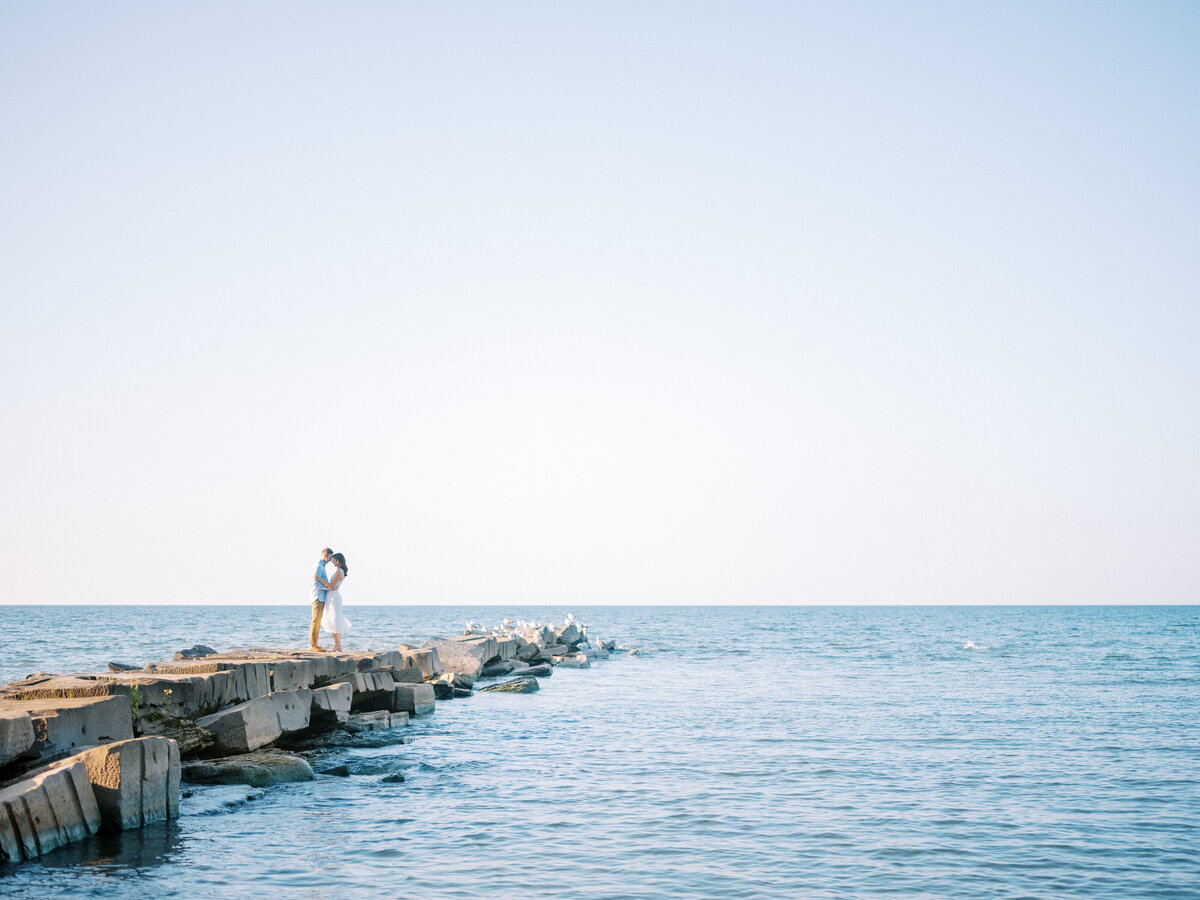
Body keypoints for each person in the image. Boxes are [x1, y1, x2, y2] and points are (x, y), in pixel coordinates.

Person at [321, 552, 351, 651]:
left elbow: (331, 586)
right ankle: (339, 645)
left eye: (333, 560)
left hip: (333, 596)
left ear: (338, 560)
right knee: (336, 619)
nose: (332, 562)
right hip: (334, 596)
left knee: (334, 619)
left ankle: (337, 644)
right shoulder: (341, 571)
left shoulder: (339, 571)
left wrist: (319, 579)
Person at [309, 547, 335, 651]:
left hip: (320, 596)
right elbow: (315, 583)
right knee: (315, 620)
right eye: (329, 557)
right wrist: (328, 587)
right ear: (325, 556)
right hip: (318, 596)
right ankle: (312, 645)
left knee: (317, 621)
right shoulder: (318, 566)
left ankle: (315, 644)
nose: (330, 560)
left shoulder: (321, 566)